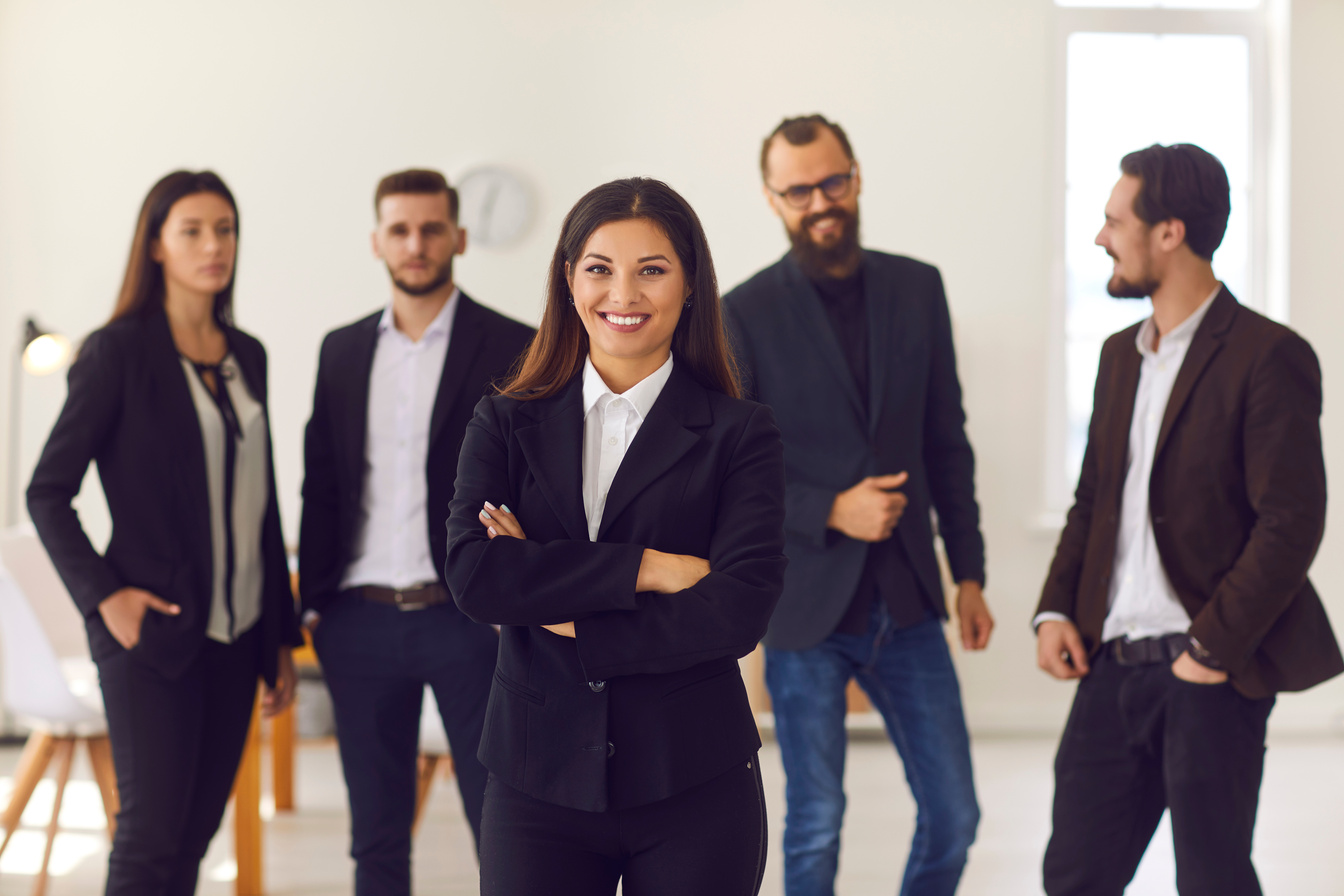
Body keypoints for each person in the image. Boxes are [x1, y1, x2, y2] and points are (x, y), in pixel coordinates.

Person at [443, 177, 786, 896]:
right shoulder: (504, 422)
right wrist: (648, 570)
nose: (622, 294)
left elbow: (738, 611)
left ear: (690, 285)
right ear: (570, 281)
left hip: (695, 779)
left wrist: (558, 605)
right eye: (599, 269)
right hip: (536, 783)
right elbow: (477, 577)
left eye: (651, 270)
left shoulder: (741, 434)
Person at [1034, 143, 1343, 896]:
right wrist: (1054, 609)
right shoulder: (1117, 357)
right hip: (1110, 668)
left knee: (1212, 881)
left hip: (1210, 670)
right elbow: (1093, 503)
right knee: (1073, 877)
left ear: (1169, 232)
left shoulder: (1271, 356)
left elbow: (1291, 521)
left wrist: (1208, 649)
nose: (1101, 237)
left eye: (1114, 221)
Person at [722, 113, 992, 896]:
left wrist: (968, 575)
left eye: (831, 181)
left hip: (909, 601)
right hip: (807, 611)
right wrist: (828, 510)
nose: (820, 201)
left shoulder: (919, 286)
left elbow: (948, 442)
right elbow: (736, 479)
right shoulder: (743, 313)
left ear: (857, 176)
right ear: (773, 199)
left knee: (956, 816)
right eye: (799, 189)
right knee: (815, 822)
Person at [26, 170, 301, 896]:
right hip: (152, 636)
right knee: (149, 843)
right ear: (156, 246)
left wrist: (278, 636)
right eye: (193, 231)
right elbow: (47, 491)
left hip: (239, 642)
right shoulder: (116, 354)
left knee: (196, 840)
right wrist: (104, 598)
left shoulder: (249, 355)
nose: (214, 245)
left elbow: (262, 506)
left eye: (226, 229)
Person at [298, 168, 534, 893]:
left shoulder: (513, 344)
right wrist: (314, 605)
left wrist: (518, 606)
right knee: (374, 836)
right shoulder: (340, 351)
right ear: (377, 241)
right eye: (400, 229)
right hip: (358, 621)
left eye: (432, 228)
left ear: (458, 237)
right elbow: (322, 483)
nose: (416, 243)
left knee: (501, 824)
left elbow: (535, 486)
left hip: (468, 621)